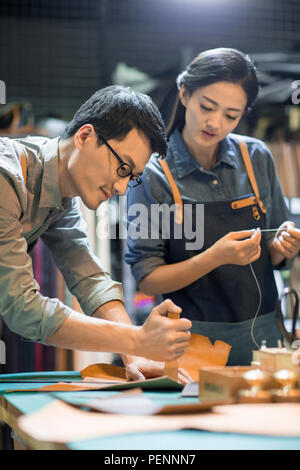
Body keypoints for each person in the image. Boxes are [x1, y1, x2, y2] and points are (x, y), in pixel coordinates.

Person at [0, 85, 192, 382]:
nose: (121, 188)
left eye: (133, 178)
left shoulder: (59, 193)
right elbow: (23, 310)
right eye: (122, 168)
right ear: (85, 136)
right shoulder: (7, 178)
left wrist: (136, 356)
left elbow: (89, 279)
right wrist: (136, 338)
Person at [125, 48, 300, 366]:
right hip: (193, 347)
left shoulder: (256, 158)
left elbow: (274, 255)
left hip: (264, 344)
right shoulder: (152, 175)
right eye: (207, 106)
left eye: (231, 115)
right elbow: (148, 278)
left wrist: (283, 246)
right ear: (184, 93)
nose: (215, 123)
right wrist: (214, 258)